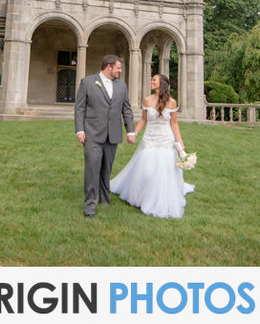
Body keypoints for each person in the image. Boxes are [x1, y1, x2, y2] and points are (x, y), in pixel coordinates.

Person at [110, 74, 194, 219]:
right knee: (147, 170)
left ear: (162, 84)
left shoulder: (172, 102)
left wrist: (180, 144)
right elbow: (143, 120)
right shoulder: (147, 100)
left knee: (163, 172)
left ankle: (160, 198)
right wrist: (133, 133)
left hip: (165, 140)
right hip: (150, 139)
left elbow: (174, 123)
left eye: (154, 80)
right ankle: (142, 196)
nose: (151, 82)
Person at [74, 54, 135, 218]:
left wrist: (130, 130)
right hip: (92, 134)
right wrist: (80, 130)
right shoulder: (87, 82)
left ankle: (105, 199)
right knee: (92, 170)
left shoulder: (122, 86)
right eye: (118, 68)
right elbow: (79, 109)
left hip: (113, 134)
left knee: (106, 170)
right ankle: (90, 206)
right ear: (109, 66)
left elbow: (126, 109)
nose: (120, 71)